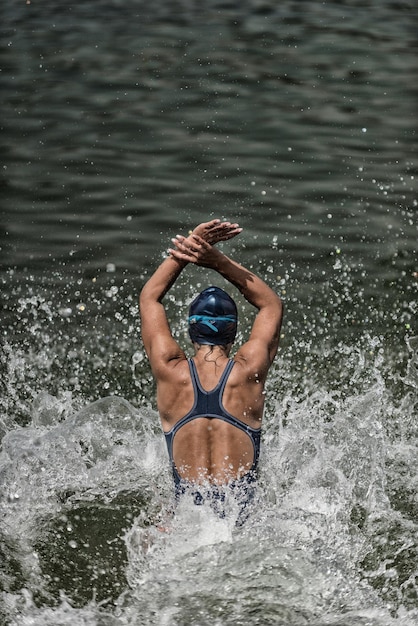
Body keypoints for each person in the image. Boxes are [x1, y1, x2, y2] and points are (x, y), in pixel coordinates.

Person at [139, 219, 283, 525]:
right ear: (234, 335)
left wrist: (187, 249)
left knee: (157, 525)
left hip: (188, 529)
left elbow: (150, 297)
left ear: (191, 332)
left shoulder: (169, 370)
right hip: (240, 527)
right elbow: (270, 305)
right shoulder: (248, 371)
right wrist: (216, 260)